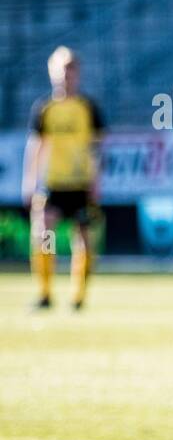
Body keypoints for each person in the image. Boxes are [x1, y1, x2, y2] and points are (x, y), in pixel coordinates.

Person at [21, 46, 106, 310]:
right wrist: (30, 181)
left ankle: (78, 297)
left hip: (80, 183)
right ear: (51, 73)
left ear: (77, 73)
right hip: (53, 183)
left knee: (83, 239)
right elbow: (36, 147)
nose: (65, 76)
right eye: (60, 70)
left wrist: (96, 183)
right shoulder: (45, 108)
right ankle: (45, 293)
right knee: (44, 233)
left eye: (70, 70)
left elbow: (98, 148)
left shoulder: (88, 108)